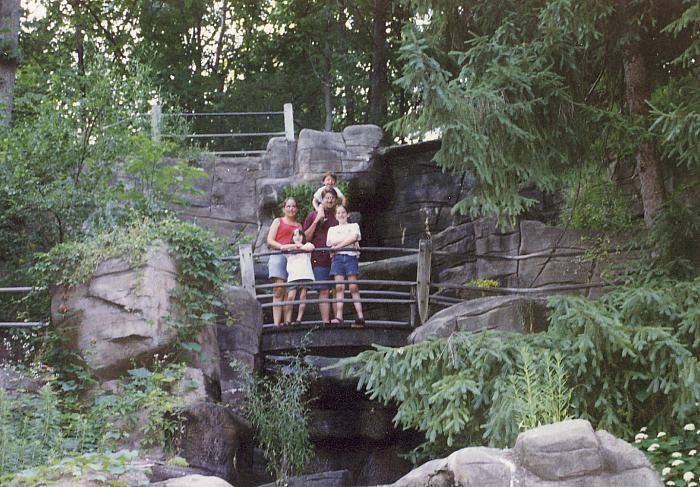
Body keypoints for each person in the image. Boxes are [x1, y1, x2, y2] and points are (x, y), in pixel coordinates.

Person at [303, 187, 339, 325]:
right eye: (327, 198)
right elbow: (305, 238)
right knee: (323, 290)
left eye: (332, 198)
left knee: (337, 289)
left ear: (335, 200)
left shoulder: (339, 214)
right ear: (322, 200)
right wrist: (316, 220)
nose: (329, 200)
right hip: (319, 259)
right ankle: (326, 322)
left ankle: (337, 319)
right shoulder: (312, 215)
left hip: (337, 259)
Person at [326, 205, 365, 327]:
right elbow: (332, 241)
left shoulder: (354, 226)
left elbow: (354, 237)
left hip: (350, 258)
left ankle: (360, 316)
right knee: (339, 288)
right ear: (335, 215)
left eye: (343, 212)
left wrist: (337, 247)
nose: (341, 214)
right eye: (338, 213)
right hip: (337, 259)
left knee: (353, 287)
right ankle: (339, 316)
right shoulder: (332, 229)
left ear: (347, 214)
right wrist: (348, 242)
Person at [266, 197, 302, 327]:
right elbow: (269, 240)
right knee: (279, 289)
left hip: (292, 258)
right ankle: (277, 323)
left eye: (293, 206)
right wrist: (282, 246)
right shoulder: (278, 221)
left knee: (290, 290)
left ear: (297, 209)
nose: (291, 209)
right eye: (288, 206)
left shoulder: (298, 226)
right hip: (278, 255)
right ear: (283, 208)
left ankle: (287, 321)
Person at [285, 228, 315, 326]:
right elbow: (282, 247)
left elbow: (311, 247)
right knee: (290, 297)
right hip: (293, 276)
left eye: (300, 235)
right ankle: (287, 320)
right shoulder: (290, 249)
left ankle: (299, 319)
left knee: (303, 296)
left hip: (305, 275)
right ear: (292, 237)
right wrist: (295, 245)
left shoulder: (306, 245)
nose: (297, 237)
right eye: (295, 235)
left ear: (303, 237)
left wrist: (299, 246)